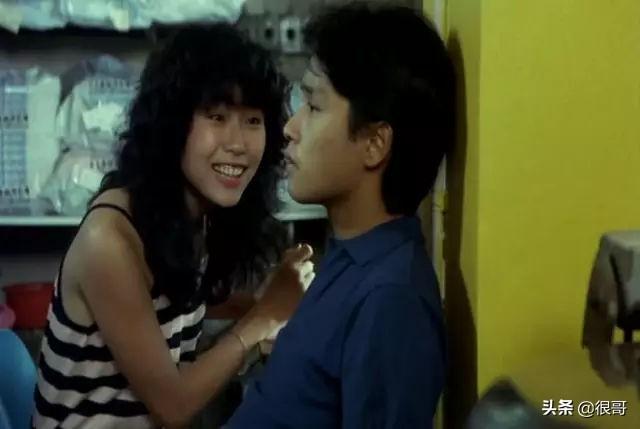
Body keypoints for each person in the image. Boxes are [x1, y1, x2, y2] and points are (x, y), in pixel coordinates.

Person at [32, 24, 315, 429]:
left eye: (253, 120)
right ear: (171, 124)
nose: (238, 143)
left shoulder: (191, 215)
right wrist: (264, 316)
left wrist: (260, 303)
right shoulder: (108, 239)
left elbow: (168, 307)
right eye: (217, 116)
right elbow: (173, 405)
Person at [227, 3, 455, 428]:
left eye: (313, 106)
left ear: (374, 144)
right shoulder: (350, 256)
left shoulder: (391, 300)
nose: (291, 128)